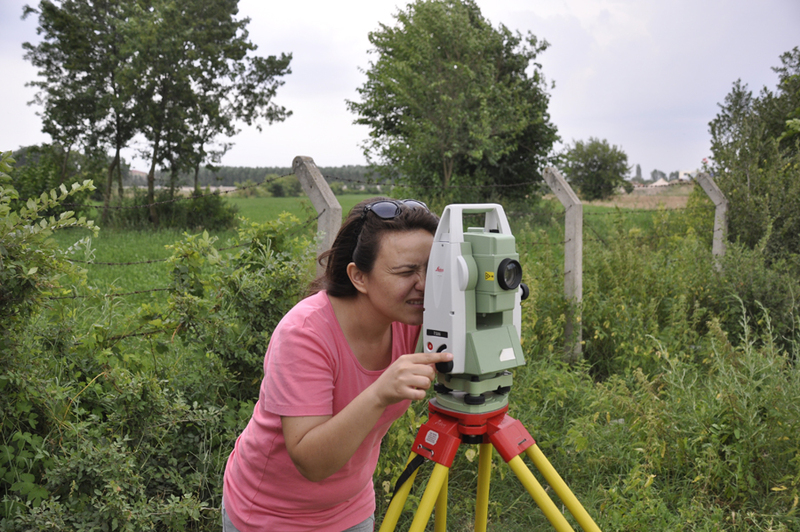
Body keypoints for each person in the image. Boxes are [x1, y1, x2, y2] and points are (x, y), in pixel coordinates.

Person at [222, 197, 452, 532]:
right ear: (359, 277)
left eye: (434, 269)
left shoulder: (415, 317)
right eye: (406, 272)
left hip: (351, 507)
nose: (425, 284)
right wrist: (379, 393)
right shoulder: (304, 334)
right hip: (272, 515)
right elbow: (312, 462)